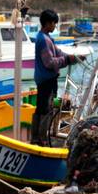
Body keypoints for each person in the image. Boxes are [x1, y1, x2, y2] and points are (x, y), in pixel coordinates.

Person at [31, 10, 77, 143]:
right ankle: (41, 140)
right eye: (54, 23)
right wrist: (67, 60)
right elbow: (50, 62)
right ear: (47, 23)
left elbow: (58, 52)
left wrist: (71, 56)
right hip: (47, 80)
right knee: (46, 109)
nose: (55, 26)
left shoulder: (45, 37)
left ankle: (36, 138)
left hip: (44, 79)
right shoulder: (44, 40)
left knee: (41, 108)